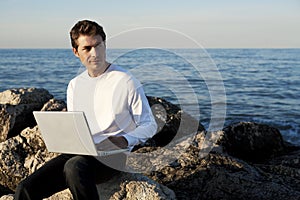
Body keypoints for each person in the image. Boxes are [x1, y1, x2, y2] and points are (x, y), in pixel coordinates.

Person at [14, 19, 157, 200]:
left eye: (98, 45)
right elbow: (76, 127)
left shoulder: (126, 81)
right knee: (25, 188)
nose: (95, 53)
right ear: (76, 52)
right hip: (82, 152)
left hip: (114, 155)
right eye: (87, 48)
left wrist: (123, 139)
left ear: (105, 44)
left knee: (74, 167)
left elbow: (149, 124)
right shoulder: (75, 85)